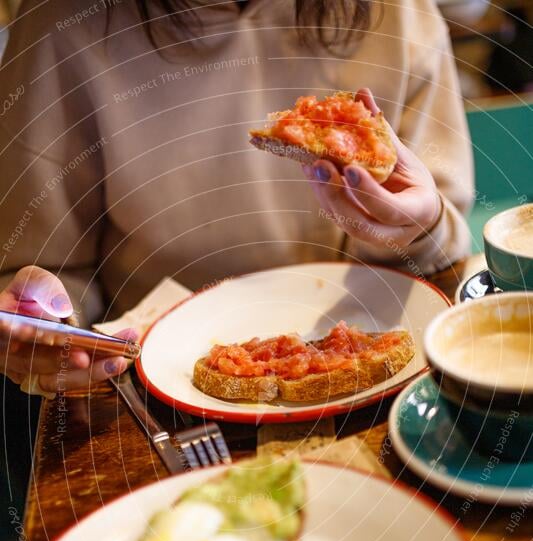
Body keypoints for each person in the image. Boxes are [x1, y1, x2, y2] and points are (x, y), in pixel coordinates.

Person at [0, 0, 473, 395]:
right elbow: (48, 277)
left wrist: (416, 227)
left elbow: (444, 248)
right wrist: (54, 333)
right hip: (146, 384)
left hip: (379, 362)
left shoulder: (397, 11)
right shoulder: (58, 25)